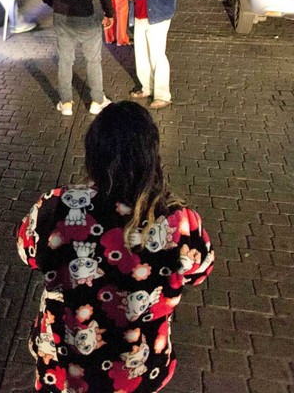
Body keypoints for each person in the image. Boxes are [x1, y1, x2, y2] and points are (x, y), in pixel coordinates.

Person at [17, 101, 214, 393]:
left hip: (64, 360)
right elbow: (199, 271)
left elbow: (28, 253)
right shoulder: (179, 221)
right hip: (137, 367)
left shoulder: (56, 206)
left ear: (93, 154)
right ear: (151, 156)